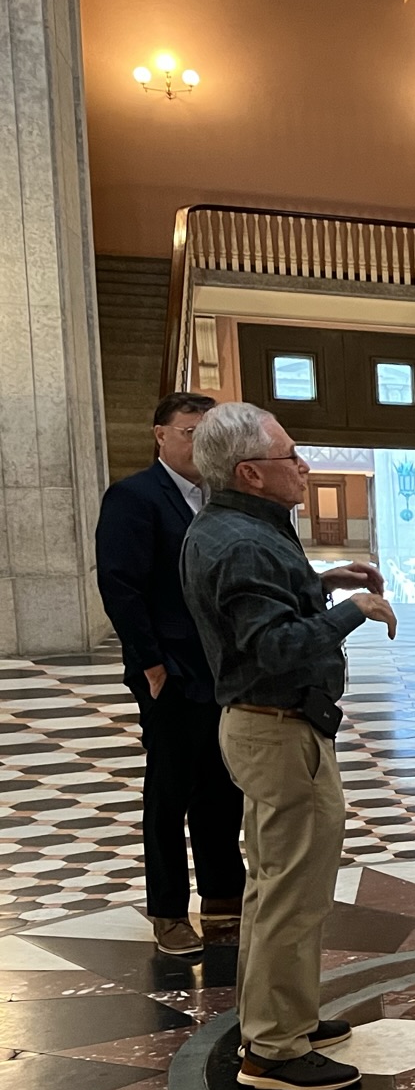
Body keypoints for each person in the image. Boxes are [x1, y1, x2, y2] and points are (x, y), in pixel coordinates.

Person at [180, 402, 397, 1090]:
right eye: (291, 456)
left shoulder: (235, 528)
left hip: (274, 724)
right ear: (251, 471)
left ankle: (286, 1016)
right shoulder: (242, 541)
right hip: (275, 726)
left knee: (284, 884)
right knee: (289, 894)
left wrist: (321, 582)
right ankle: (272, 1049)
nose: (304, 466)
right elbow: (272, 649)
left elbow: (262, 609)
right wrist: (349, 612)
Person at [94, 393, 247, 956]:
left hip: (224, 666)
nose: (198, 444)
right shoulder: (135, 498)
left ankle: (223, 895)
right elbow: (121, 585)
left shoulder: (224, 498)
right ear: (161, 434)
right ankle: (167, 910)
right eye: (189, 432)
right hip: (172, 668)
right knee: (169, 791)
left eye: (208, 434)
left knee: (223, 784)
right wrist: (151, 663)